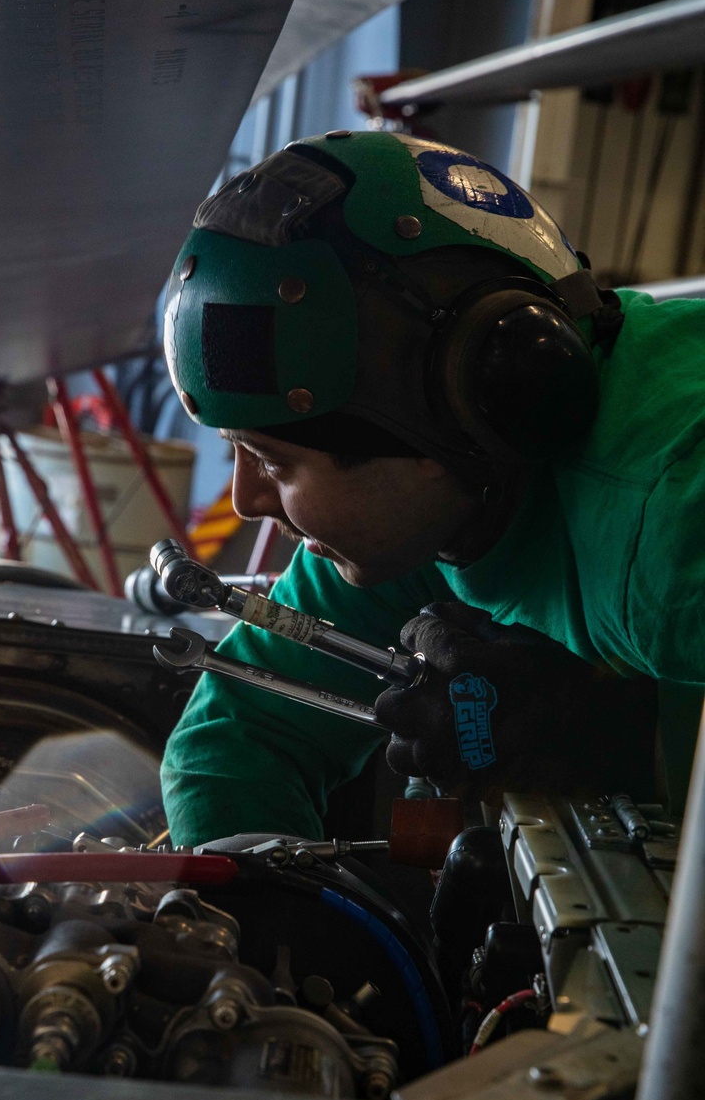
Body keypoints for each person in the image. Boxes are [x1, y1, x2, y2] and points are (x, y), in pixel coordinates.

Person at [158, 130, 705, 847]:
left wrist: (640, 744)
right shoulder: (450, 497)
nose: (247, 502)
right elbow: (236, 739)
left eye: (273, 461)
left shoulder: (669, 535)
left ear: (427, 437)